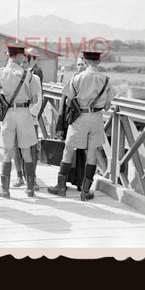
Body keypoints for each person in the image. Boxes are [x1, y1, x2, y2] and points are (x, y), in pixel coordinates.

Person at [48, 50, 115, 201]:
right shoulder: (106, 80)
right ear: (98, 62)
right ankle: (85, 191)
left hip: (80, 119)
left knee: (68, 150)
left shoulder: (77, 78)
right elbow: (107, 106)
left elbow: (67, 101)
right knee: (92, 153)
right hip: (96, 118)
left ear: (85, 61)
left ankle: (61, 187)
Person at [0, 42, 40, 198]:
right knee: (26, 151)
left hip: (8, 115)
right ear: (21, 56)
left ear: (7, 55)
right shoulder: (28, 75)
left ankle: (5, 190)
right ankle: (30, 189)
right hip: (24, 113)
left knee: (8, 151)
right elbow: (35, 99)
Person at [55, 56, 88, 190]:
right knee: (68, 150)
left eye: (82, 65)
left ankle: (80, 182)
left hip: (84, 120)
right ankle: (66, 181)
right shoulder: (73, 79)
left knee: (81, 152)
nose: (80, 67)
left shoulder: (89, 81)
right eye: (78, 65)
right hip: (71, 119)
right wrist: (61, 122)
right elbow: (64, 101)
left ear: (88, 65)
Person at [12, 47, 43, 189]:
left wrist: (29, 115)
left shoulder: (34, 78)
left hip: (30, 119)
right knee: (16, 148)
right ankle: (19, 176)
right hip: (15, 118)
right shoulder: (12, 75)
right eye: (22, 62)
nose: (23, 64)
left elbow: (38, 101)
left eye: (26, 62)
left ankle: (32, 178)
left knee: (31, 149)